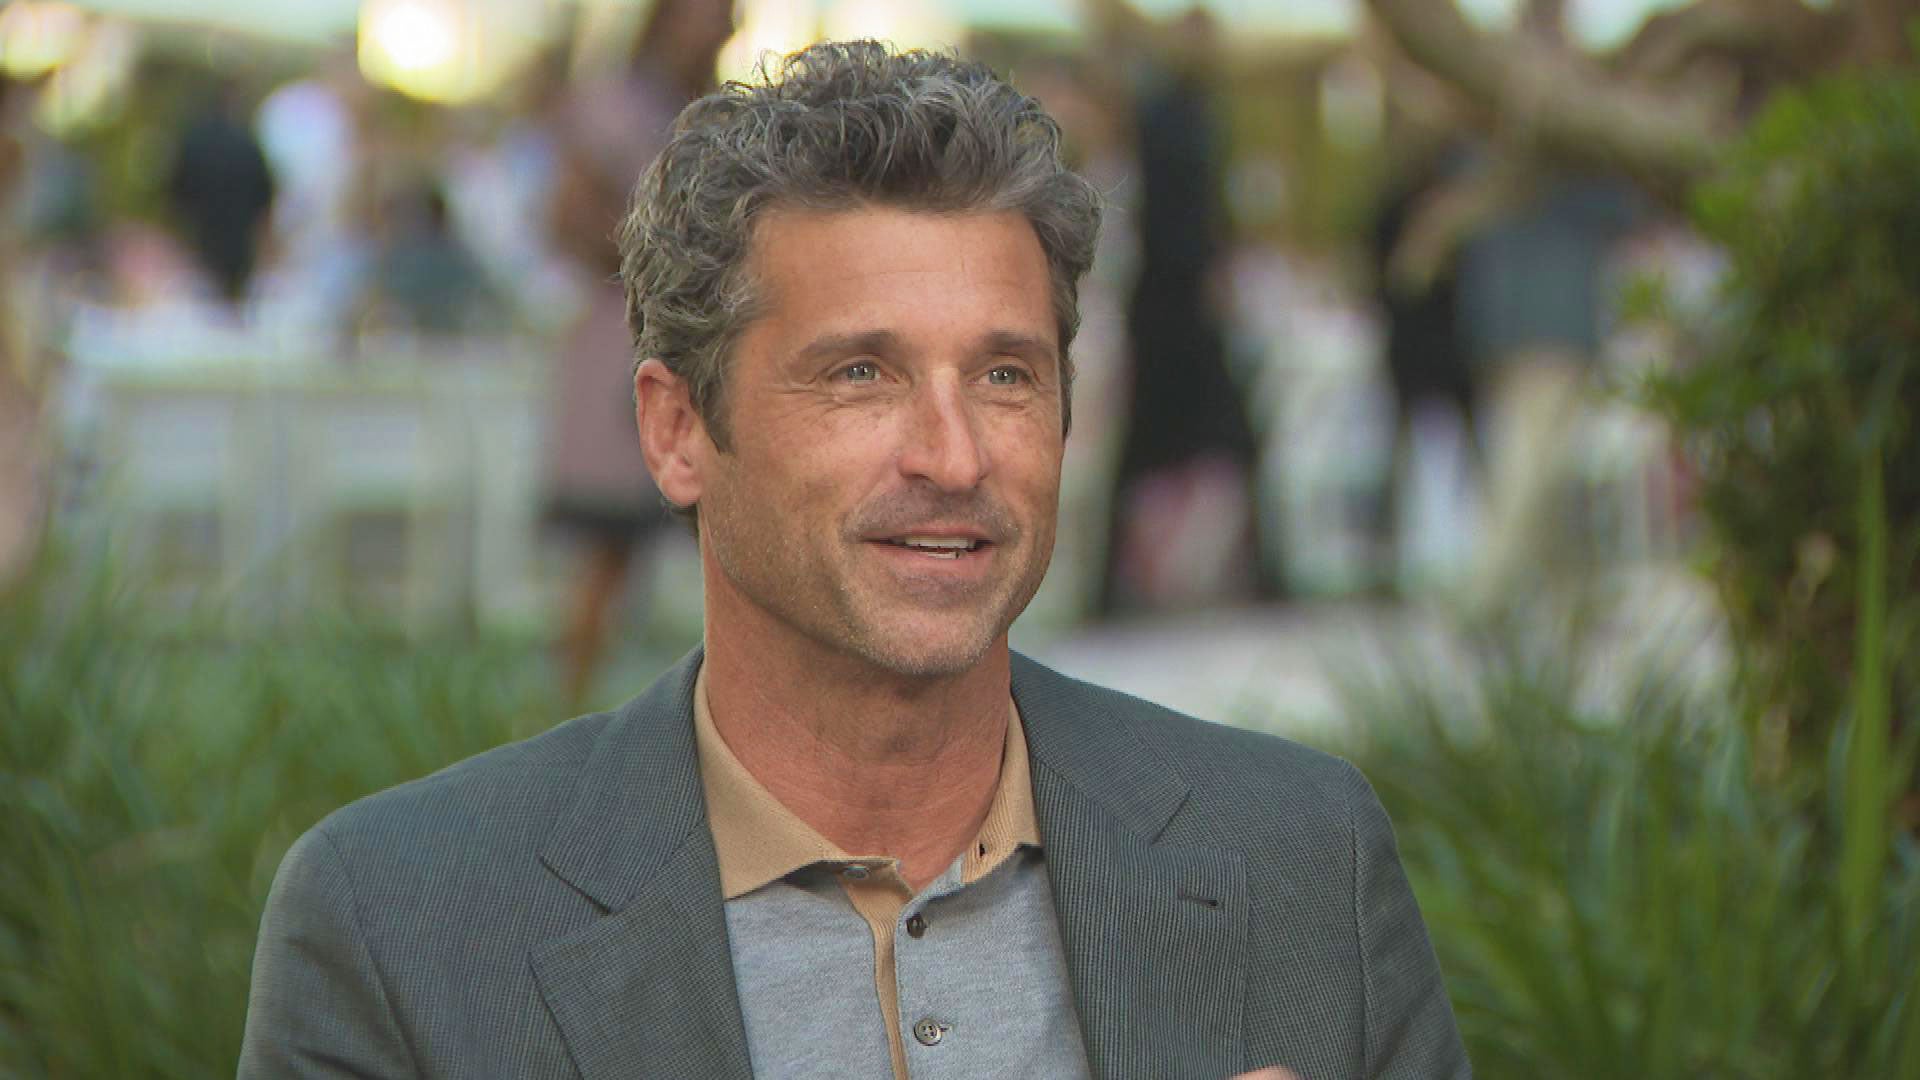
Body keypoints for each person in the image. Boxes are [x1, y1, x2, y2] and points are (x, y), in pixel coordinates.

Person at [240, 42, 1468, 1079]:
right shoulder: (406, 926)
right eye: (861, 374)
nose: (953, 454)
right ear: (677, 431)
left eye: (1005, 374)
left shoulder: (1298, 859)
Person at [543, 0, 738, 706]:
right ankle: (567, 708)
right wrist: (659, 261)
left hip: (705, 343)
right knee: (608, 547)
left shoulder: (717, 113)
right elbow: (566, 218)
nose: (721, 28)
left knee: (733, 531)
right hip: (623, 338)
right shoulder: (615, 108)